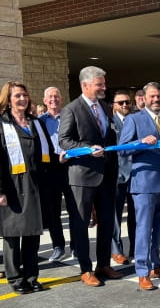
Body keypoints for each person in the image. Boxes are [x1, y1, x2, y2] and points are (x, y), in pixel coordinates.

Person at [58, 66, 123, 287]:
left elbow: (110, 136)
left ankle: (103, 264)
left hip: (106, 175)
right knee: (81, 223)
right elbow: (64, 141)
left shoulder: (105, 108)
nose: (104, 87)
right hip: (82, 177)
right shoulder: (71, 109)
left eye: (104, 83)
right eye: (100, 84)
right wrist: (87, 148)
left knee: (106, 222)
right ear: (85, 85)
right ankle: (86, 269)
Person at [119, 82, 160, 290]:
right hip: (144, 183)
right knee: (144, 229)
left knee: (159, 229)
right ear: (143, 98)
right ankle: (143, 272)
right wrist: (140, 142)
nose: (156, 100)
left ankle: (156, 265)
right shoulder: (133, 119)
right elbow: (123, 149)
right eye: (152, 96)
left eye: (159, 96)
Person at [0, 81, 53, 293]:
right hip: (12, 186)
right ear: (8, 100)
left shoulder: (36, 123)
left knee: (32, 232)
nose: (22, 99)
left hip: (35, 185)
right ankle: (15, 278)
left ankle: (31, 276)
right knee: (12, 234)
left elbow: (47, 153)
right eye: (17, 96)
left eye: (24, 95)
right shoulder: (2, 124)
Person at [39, 86, 75, 261]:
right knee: (53, 212)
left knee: (75, 209)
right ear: (45, 101)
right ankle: (58, 246)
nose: (53, 99)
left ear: (61, 99)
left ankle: (76, 245)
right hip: (50, 170)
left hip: (70, 167)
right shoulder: (38, 121)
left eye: (56, 96)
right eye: (50, 97)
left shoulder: (70, 117)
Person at [110, 90, 135, 264]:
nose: (125, 105)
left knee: (135, 215)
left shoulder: (137, 120)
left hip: (136, 175)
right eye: (121, 103)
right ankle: (116, 250)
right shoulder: (109, 123)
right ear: (114, 105)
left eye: (127, 102)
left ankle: (135, 246)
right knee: (115, 216)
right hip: (117, 175)